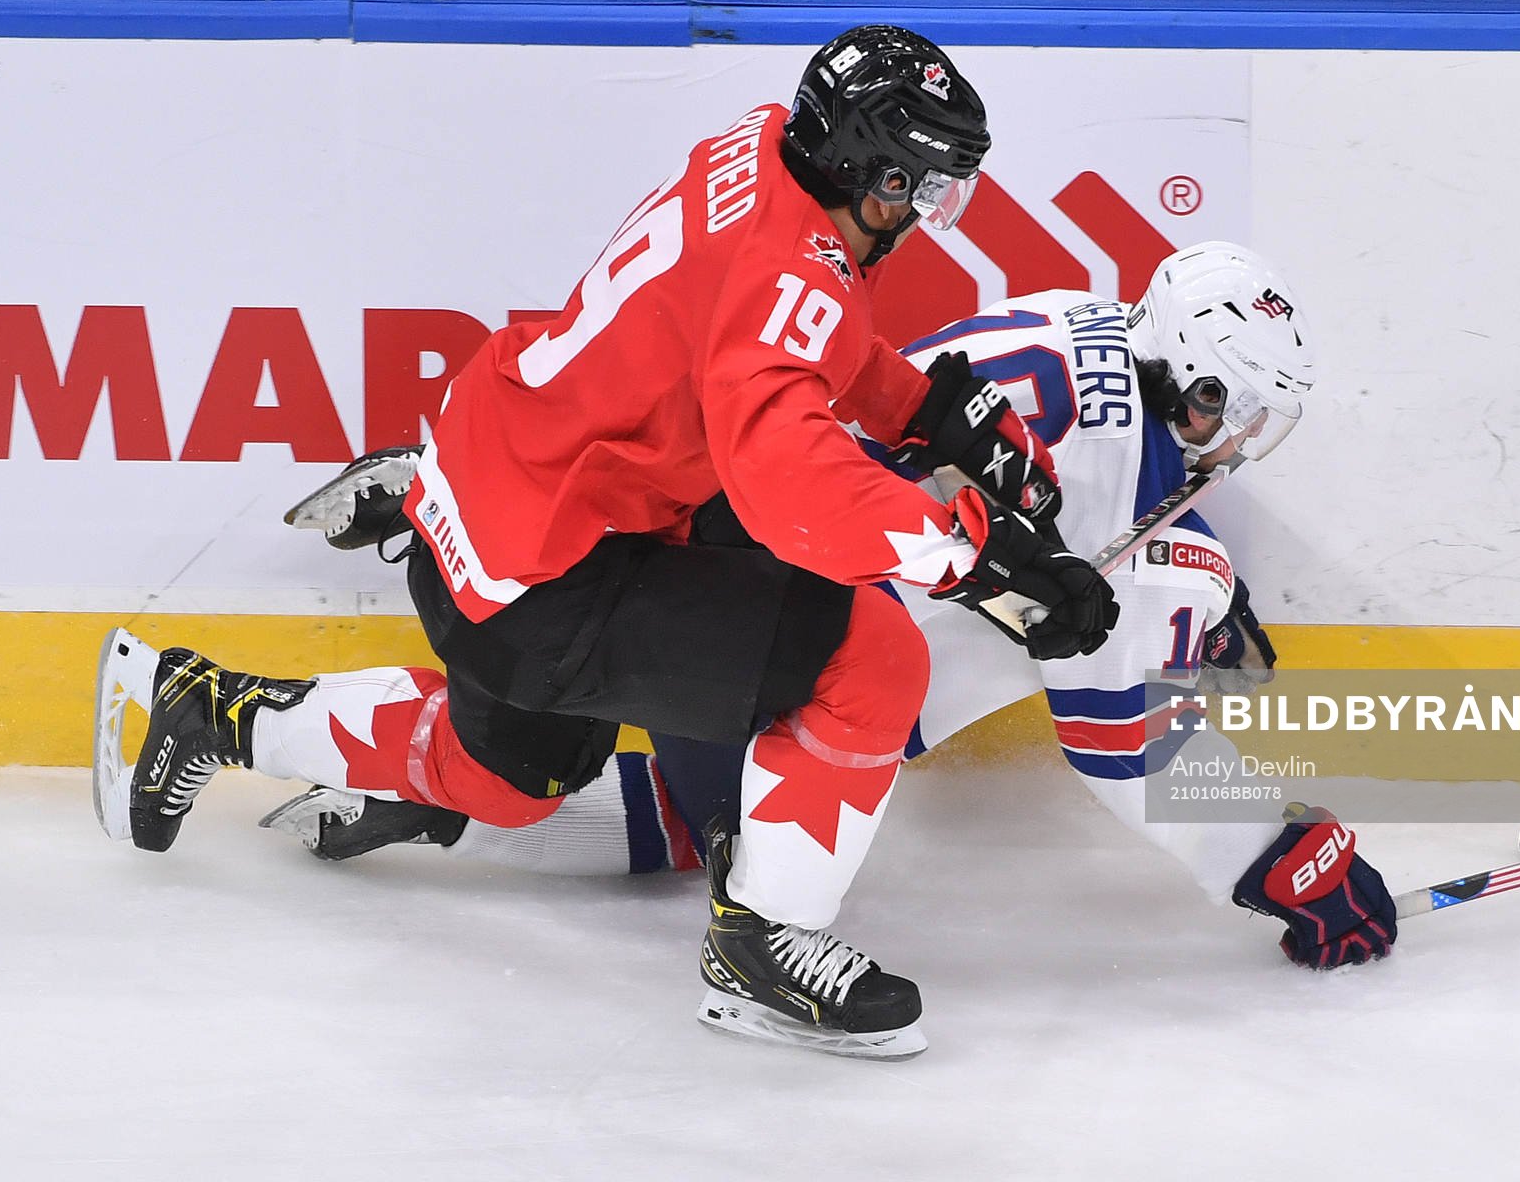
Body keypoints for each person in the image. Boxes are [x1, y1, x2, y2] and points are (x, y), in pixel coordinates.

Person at [91, 25, 1121, 1059]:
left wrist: (923, 408)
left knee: (513, 778)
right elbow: (791, 484)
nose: (921, 217)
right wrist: (978, 556)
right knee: (874, 655)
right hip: (553, 576)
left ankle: (216, 708)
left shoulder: (761, 145)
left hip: (499, 484)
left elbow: (763, 320)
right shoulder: (797, 273)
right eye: (920, 189)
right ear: (868, 166)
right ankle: (762, 947)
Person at [259, 242, 1398, 986]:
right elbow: (1121, 737)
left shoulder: (1077, 318)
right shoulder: (1113, 485)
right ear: (1190, 384)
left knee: (598, 774)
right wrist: (1277, 851)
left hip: (715, 538)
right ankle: (748, 944)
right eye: (1230, 410)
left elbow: (1035, 480)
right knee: (715, 801)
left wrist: (1177, 574)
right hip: (767, 619)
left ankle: (413, 756)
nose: (1237, 442)